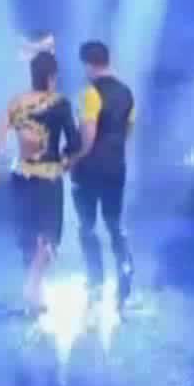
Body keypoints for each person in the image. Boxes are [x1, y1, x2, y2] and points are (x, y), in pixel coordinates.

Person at [0, 51, 80, 311]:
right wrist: (66, 162)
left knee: (29, 239)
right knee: (49, 237)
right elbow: (74, 142)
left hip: (21, 176)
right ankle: (32, 285)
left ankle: (36, 296)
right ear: (52, 76)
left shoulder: (16, 103)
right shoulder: (60, 103)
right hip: (48, 178)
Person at [69, 40, 135, 310]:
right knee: (115, 224)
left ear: (88, 64)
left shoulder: (90, 94)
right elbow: (127, 131)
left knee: (87, 226)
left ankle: (96, 280)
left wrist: (72, 159)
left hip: (89, 170)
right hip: (116, 168)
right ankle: (125, 276)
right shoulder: (127, 93)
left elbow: (88, 137)